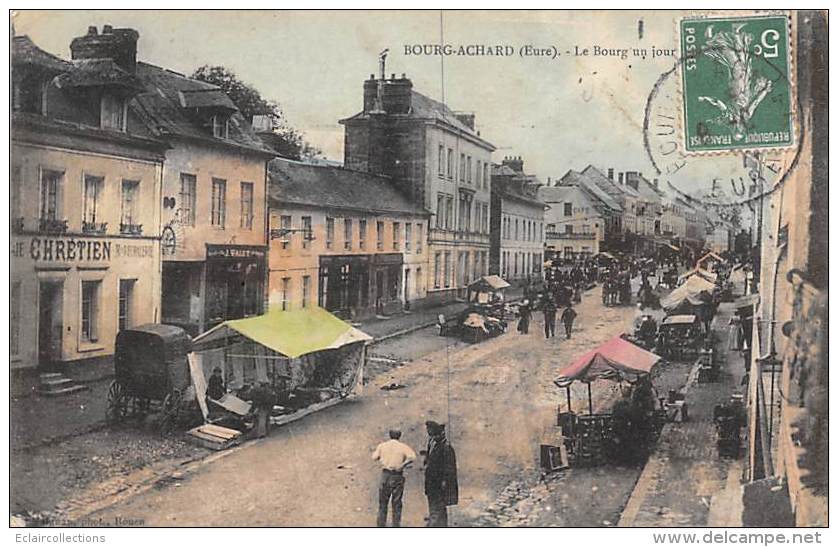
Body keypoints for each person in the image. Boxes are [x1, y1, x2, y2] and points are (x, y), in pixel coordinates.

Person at [372, 429, 417, 527]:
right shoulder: (403, 447)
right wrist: (403, 464)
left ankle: (381, 525)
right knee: (396, 502)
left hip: (385, 475)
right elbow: (412, 457)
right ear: (399, 436)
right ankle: (396, 525)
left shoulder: (382, 445)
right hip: (397, 475)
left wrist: (383, 459)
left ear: (390, 435)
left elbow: (374, 457)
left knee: (383, 502)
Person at [423, 421, 458, 527]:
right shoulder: (433, 444)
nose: (432, 436)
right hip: (432, 483)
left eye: (433, 434)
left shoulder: (446, 447)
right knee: (438, 508)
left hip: (439, 484)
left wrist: (445, 482)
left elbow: (449, 468)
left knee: (437, 507)